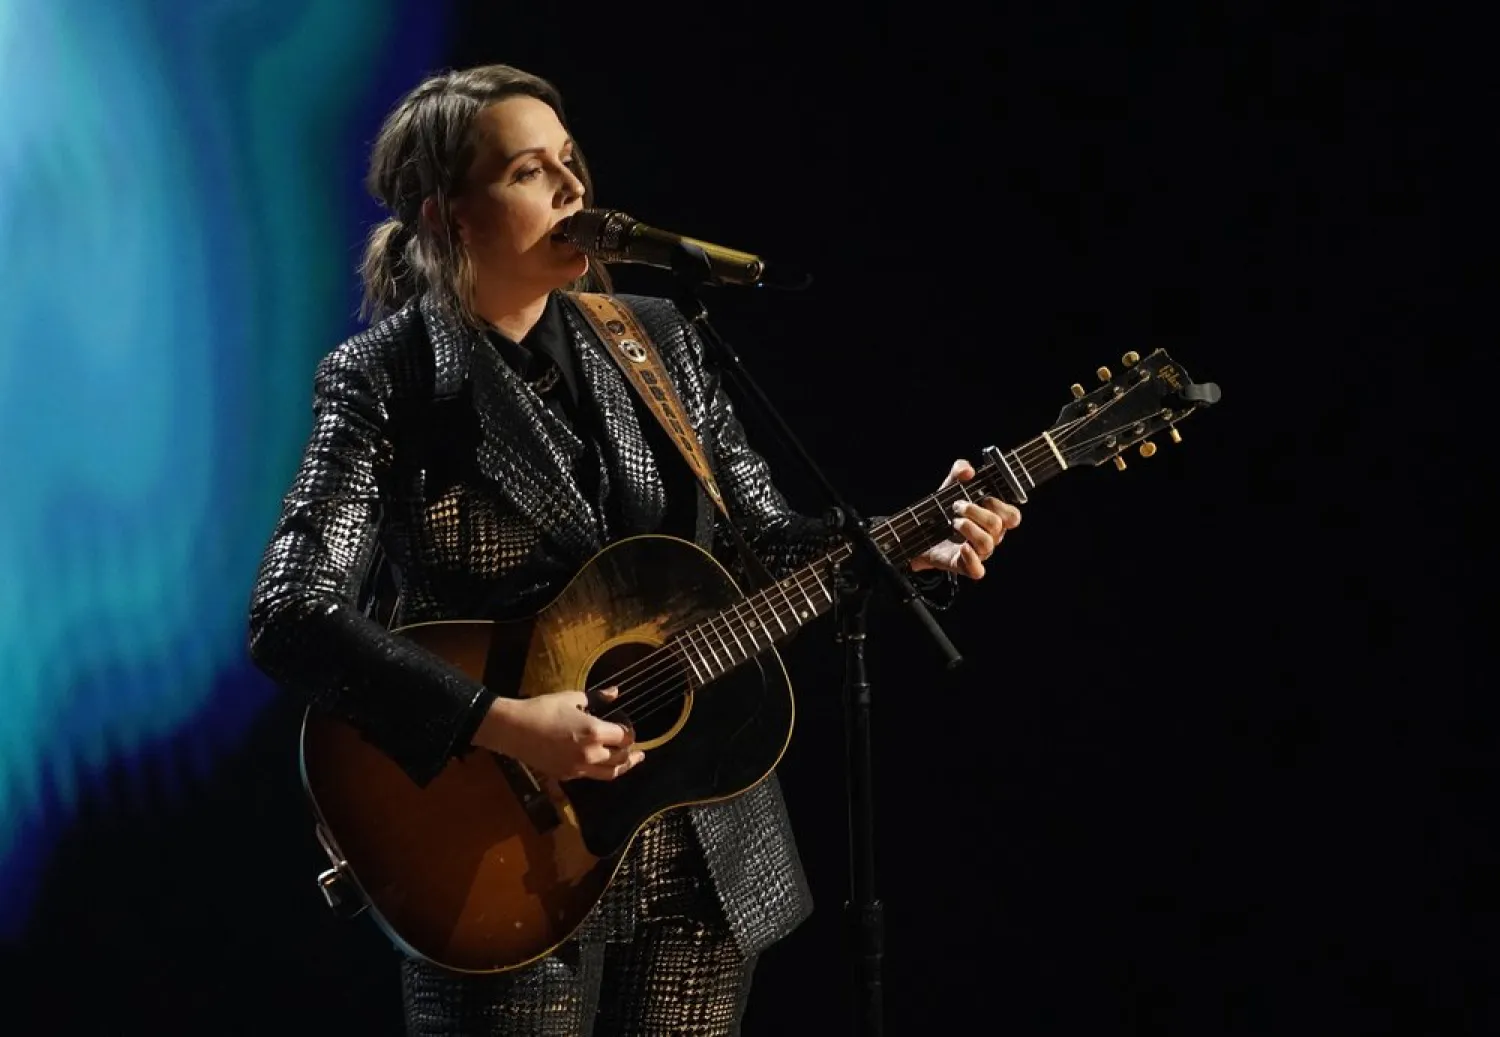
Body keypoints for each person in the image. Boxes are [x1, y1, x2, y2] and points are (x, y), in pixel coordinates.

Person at [247, 63, 1021, 1036]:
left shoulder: (654, 339)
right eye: (532, 171)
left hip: (698, 836)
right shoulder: (388, 377)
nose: (574, 190)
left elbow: (758, 542)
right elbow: (291, 611)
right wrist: (507, 722)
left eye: (573, 163)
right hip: (495, 856)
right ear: (449, 216)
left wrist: (907, 541)